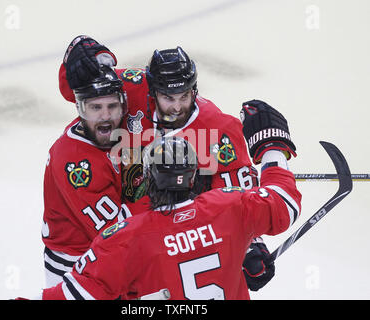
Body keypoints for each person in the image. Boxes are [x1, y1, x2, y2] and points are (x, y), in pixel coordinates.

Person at [57, 35, 286, 291]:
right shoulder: (131, 89)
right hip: (94, 248)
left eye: (184, 96)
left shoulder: (217, 129)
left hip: (171, 244)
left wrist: (251, 247)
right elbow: (78, 90)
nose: (177, 107)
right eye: (168, 97)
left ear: (194, 90)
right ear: (152, 91)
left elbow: (238, 198)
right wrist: (75, 60)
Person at [38, 100, 301, 300]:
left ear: (147, 180)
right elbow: (284, 201)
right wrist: (272, 147)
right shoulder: (231, 206)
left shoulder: (125, 239)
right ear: (194, 176)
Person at [41, 64, 129, 288]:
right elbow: (114, 232)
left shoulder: (105, 132)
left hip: (99, 255)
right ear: (80, 109)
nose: (105, 116)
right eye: (95, 107)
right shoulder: (75, 162)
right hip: (75, 265)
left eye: (112, 106)